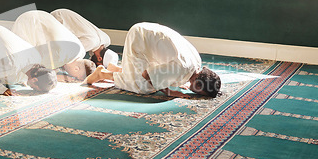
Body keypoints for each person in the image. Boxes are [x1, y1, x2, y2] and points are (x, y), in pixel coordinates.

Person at [84, 22, 221, 98]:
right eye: (197, 91)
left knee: (160, 77)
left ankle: (117, 69)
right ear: (197, 85)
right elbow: (147, 75)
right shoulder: (181, 69)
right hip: (140, 37)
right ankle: (103, 73)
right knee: (144, 87)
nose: (193, 92)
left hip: (149, 32)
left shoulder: (196, 62)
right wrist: (170, 92)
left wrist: (173, 80)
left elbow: (171, 68)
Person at [12, 10, 96, 81]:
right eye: (75, 76)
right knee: (19, 73)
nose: (72, 76)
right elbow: (36, 71)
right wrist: (57, 76)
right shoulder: (60, 58)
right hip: (28, 22)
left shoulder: (81, 50)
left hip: (42, 14)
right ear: (76, 69)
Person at [50, 8, 119, 68]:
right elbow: (68, 57)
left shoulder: (106, 39)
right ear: (99, 58)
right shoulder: (90, 42)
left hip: (62, 13)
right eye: (98, 65)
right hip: (57, 19)